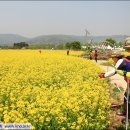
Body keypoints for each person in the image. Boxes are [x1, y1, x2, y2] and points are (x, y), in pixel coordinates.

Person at [99, 37, 130, 123]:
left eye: (113, 58)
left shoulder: (122, 61)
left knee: (128, 98)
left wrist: (103, 75)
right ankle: (125, 112)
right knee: (127, 95)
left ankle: (127, 117)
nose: (113, 60)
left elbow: (114, 71)